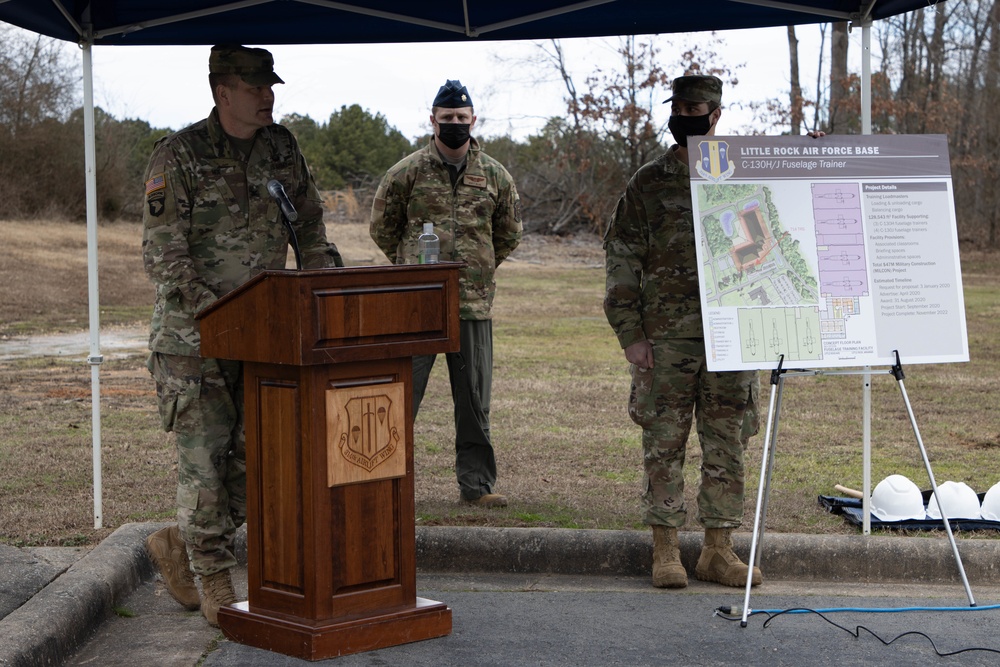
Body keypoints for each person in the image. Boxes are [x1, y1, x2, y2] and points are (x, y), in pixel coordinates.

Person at [141, 44, 343, 626]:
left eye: (270, 86)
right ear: (221, 91)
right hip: (193, 342)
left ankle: (183, 545)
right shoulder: (176, 156)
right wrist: (223, 316)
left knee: (258, 459)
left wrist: (324, 292)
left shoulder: (282, 148)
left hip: (268, 335)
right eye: (255, 87)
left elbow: (309, 226)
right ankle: (212, 576)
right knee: (205, 462)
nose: (268, 96)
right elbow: (164, 256)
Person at [603, 74, 762, 590]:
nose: (684, 115)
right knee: (663, 442)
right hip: (666, 339)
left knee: (726, 443)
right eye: (678, 106)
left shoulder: (743, 174)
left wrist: (810, 153)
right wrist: (630, 332)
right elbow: (622, 256)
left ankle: (717, 551)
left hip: (731, 333)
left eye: (694, 107)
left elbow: (787, 222)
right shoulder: (649, 181)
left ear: (716, 114)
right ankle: (665, 548)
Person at [370, 79, 522, 508]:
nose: (454, 123)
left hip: (471, 305)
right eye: (446, 117)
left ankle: (476, 487)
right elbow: (382, 228)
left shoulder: (494, 175)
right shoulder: (407, 172)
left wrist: (479, 268)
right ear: (432, 120)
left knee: (474, 400)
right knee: (399, 397)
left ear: (473, 120)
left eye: (461, 118)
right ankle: (382, 483)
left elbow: (509, 233)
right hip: (415, 305)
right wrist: (409, 269)